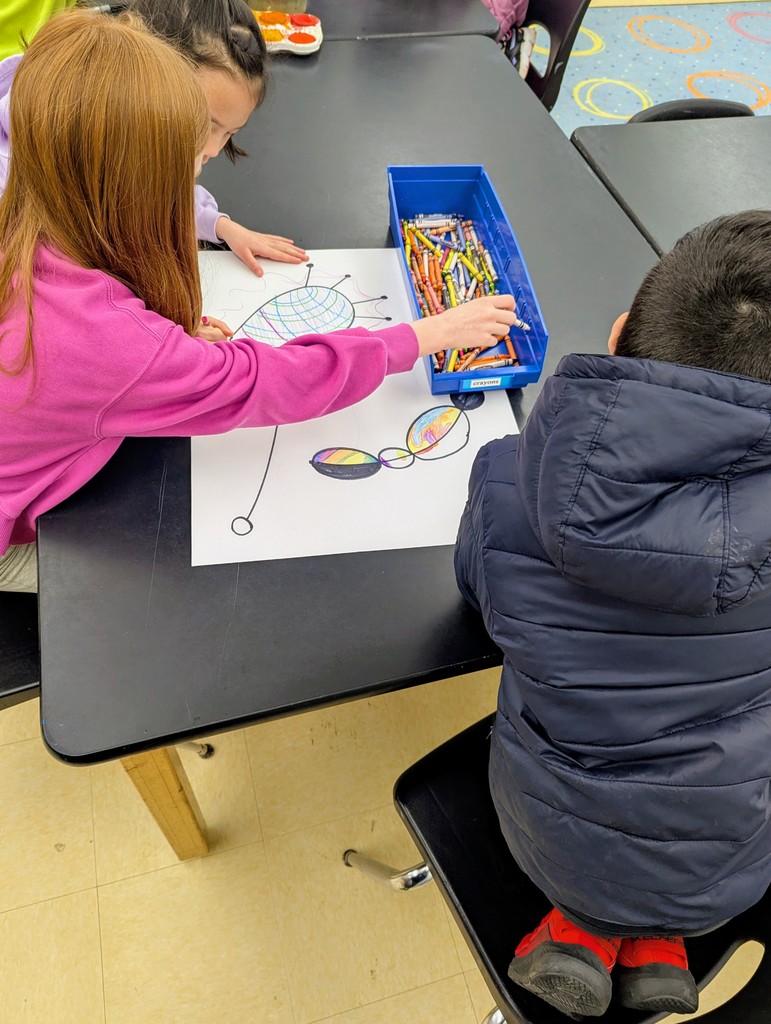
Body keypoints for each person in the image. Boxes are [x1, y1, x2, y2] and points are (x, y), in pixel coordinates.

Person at [0, 9, 518, 592]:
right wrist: (424, 336)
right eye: (185, 162)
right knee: (126, 595)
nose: (203, 165)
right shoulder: (105, 342)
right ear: (130, 185)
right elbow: (268, 380)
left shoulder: (28, 191)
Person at [454, 210, 771, 1019]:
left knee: (594, 822)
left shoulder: (504, 484)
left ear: (620, 332)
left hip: (545, 836)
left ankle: (584, 928)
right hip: (735, 857)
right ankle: (662, 940)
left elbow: (474, 593)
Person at [0, 0, 308, 277]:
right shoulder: (18, 178)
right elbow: (52, 293)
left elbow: (156, 191)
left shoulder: (114, 123)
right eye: (205, 124)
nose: (213, 149)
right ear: (149, 84)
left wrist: (219, 225)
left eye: (229, 134)